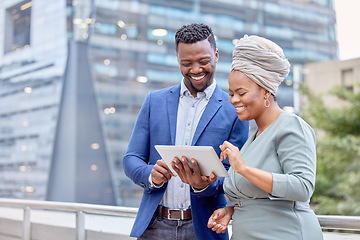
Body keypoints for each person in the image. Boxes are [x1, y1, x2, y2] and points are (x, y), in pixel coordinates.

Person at [123, 23, 249, 240]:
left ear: (216, 55)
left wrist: (203, 186)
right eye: (186, 63)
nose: (196, 70)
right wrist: (151, 175)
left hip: (204, 228)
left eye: (203, 61)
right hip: (154, 227)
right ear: (177, 60)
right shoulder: (155, 101)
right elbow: (131, 159)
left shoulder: (235, 110)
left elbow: (235, 177)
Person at [207, 35, 323, 240]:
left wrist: (242, 168)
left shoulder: (291, 126)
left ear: (266, 91)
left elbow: (302, 187)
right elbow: (257, 197)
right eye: (231, 93)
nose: (233, 100)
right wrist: (232, 211)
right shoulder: (253, 136)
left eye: (241, 93)